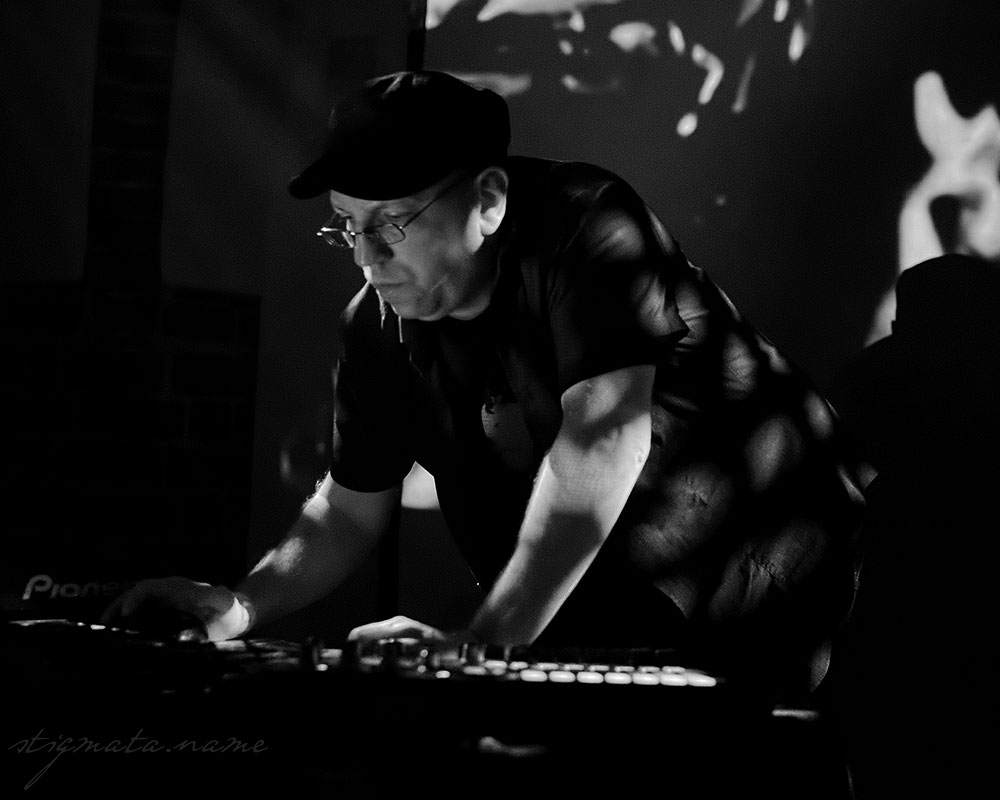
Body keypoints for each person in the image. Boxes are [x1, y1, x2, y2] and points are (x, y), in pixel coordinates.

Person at [103, 70, 865, 698]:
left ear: (490, 200)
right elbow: (348, 508)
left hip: (785, 573)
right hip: (612, 619)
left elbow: (603, 439)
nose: (366, 257)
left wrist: (485, 645)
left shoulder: (586, 223)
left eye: (392, 222)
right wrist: (242, 605)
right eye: (347, 225)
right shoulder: (374, 325)